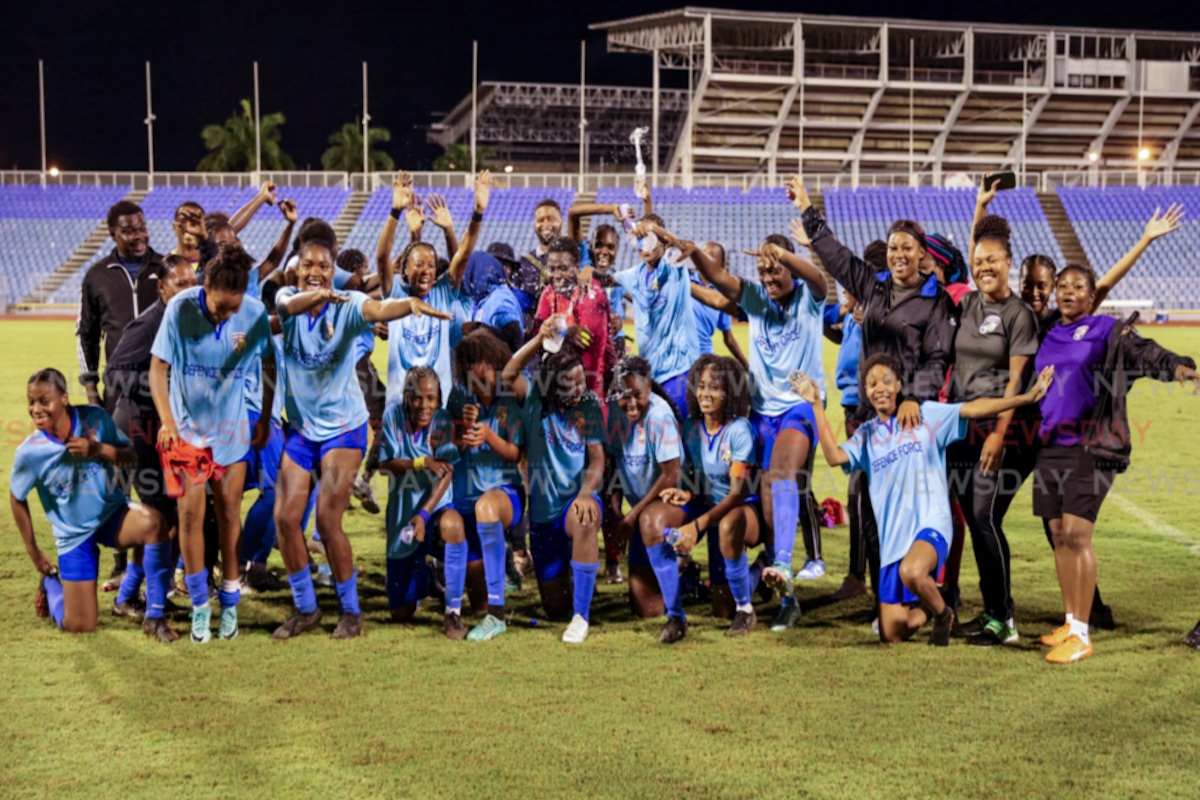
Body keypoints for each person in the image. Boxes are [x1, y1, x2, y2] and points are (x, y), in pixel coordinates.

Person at [795, 355, 1054, 645]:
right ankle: (928, 612)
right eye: (871, 383)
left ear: (899, 385)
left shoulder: (927, 415)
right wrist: (816, 404)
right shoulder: (866, 435)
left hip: (931, 526)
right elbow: (833, 457)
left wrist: (1025, 398)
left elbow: (974, 409)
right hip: (894, 542)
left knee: (912, 570)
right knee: (891, 632)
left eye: (886, 380)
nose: (879, 387)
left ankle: (944, 614)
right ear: (866, 392)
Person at [269, 238, 452, 641]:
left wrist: (408, 306)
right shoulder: (287, 297)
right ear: (297, 272)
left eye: (322, 265)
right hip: (302, 431)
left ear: (332, 268)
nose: (314, 271)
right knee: (284, 518)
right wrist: (314, 293)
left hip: (343, 430)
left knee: (327, 519)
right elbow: (283, 309)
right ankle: (306, 608)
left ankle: (351, 611)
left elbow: (376, 309)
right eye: (307, 265)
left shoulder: (346, 304)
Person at [791, 175, 957, 618]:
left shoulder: (936, 301)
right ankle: (879, 588)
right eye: (893, 247)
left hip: (909, 418)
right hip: (869, 413)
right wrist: (808, 209)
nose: (899, 255)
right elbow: (838, 258)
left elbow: (938, 358)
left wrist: (914, 398)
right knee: (865, 498)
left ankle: (925, 591)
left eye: (907, 248)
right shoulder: (875, 286)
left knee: (905, 503)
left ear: (922, 254)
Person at [1032, 264, 1198, 664]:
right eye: (1063, 286)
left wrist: (1176, 365)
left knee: (1076, 534)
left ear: (1092, 296)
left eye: (1078, 287)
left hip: (1093, 446)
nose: (1068, 292)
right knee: (1057, 535)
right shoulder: (1047, 332)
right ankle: (1070, 622)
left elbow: (1143, 351)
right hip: (1049, 445)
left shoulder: (1106, 329)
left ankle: (1083, 635)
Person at [684, 228, 826, 631]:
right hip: (760, 412)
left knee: (782, 472)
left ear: (790, 268)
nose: (768, 279)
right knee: (766, 509)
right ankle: (784, 591)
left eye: (775, 271)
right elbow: (719, 282)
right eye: (763, 273)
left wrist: (783, 253)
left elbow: (818, 278)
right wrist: (693, 253)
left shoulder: (808, 299)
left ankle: (781, 561)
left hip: (798, 408)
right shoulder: (754, 298)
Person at [149, 244, 276, 644]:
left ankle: (231, 602)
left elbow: (269, 362)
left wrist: (266, 415)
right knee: (189, 519)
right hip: (187, 433)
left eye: (232, 309)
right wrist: (168, 423)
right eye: (221, 307)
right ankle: (201, 606)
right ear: (206, 285)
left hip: (233, 432)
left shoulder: (252, 311)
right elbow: (158, 369)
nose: (226, 315)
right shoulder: (180, 309)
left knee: (228, 516)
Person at [15, 369, 177, 641]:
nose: (36, 409)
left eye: (45, 401)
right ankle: (52, 585)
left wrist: (98, 449)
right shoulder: (29, 453)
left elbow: (130, 458)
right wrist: (33, 550)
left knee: (155, 522)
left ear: (64, 398)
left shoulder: (95, 419)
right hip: (73, 535)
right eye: (31, 402)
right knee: (80, 624)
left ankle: (154, 616)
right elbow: (16, 497)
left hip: (111, 514)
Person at [942, 216, 1039, 646]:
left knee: (984, 517)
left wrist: (1000, 435)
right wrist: (981, 209)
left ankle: (1003, 619)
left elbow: (1016, 382)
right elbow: (973, 255)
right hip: (963, 427)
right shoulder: (968, 305)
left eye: (992, 260)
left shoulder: (1019, 315)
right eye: (979, 261)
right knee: (980, 520)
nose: (984, 267)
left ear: (1009, 263)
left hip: (1002, 429)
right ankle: (992, 611)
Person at [102, 255, 199, 614]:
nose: (189, 290)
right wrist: (162, 387)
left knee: (169, 513)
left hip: (162, 427)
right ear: (162, 288)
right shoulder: (149, 323)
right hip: (139, 425)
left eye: (193, 283)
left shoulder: (188, 317)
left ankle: (138, 594)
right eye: (180, 284)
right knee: (160, 514)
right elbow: (113, 373)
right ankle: (131, 596)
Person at [502, 315, 606, 644]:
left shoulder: (588, 404)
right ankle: (576, 586)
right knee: (553, 608)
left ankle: (582, 617)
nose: (579, 389)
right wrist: (538, 339)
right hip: (544, 517)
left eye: (581, 381)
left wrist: (587, 491)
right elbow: (508, 374)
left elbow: (598, 459)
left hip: (574, 503)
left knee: (584, 516)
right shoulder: (535, 400)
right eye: (570, 384)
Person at [660, 354, 763, 636]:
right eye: (702, 386)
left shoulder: (739, 431)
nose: (706, 393)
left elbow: (736, 494)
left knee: (729, 526)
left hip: (742, 512)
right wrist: (685, 493)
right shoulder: (692, 428)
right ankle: (685, 581)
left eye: (715, 387)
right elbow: (696, 480)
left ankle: (748, 606)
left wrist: (697, 525)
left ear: (729, 392)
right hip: (710, 509)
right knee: (719, 609)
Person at [378, 169, 490, 406]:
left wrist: (477, 213)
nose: (427, 270)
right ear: (405, 270)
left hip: (437, 406)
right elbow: (381, 258)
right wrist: (395, 211)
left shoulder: (441, 292)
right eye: (419, 264)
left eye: (431, 265)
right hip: (400, 405)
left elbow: (464, 255)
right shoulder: (396, 295)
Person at [446, 330, 526, 641]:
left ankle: (498, 617)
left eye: (487, 374)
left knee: (487, 508)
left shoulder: (510, 400)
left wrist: (489, 437)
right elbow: (448, 449)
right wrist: (461, 428)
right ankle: (500, 562)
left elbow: (516, 452)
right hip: (465, 502)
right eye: (474, 377)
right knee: (476, 601)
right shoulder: (457, 398)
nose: (482, 383)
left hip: (504, 495)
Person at [378, 367, 468, 638]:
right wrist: (422, 462)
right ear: (407, 397)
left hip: (433, 513)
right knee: (400, 613)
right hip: (402, 520)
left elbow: (447, 471)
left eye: (431, 398)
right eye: (418, 398)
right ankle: (424, 575)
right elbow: (385, 464)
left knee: (452, 526)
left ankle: (453, 613)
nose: (424, 405)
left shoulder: (442, 421)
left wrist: (425, 515)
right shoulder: (392, 415)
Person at [583, 214, 701, 416]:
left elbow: (680, 245)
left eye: (650, 239)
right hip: (650, 376)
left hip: (680, 372)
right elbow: (608, 278)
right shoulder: (634, 275)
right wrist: (588, 271)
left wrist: (654, 230)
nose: (645, 246)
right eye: (640, 239)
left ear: (662, 242)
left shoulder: (674, 264)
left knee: (680, 434)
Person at [605, 357, 687, 643]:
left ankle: (679, 566)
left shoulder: (659, 416)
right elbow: (614, 463)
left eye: (638, 395)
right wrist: (616, 508)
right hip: (641, 514)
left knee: (650, 519)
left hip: (671, 505)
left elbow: (671, 475)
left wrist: (632, 516)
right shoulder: (616, 414)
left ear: (649, 388)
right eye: (624, 395)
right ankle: (683, 574)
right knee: (645, 609)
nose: (631, 403)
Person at [536, 236, 610, 399]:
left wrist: (584, 399)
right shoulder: (549, 293)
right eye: (552, 268)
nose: (556, 275)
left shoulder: (591, 294)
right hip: (563, 389)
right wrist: (564, 333)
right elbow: (536, 337)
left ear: (577, 267)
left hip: (591, 391)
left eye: (563, 268)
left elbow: (592, 359)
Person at [690, 243, 749, 368]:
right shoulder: (683, 279)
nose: (705, 258)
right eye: (703, 254)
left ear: (721, 263)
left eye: (711, 255)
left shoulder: (724, 295)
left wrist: (747, 366)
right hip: (680, 360)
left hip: (704, 360)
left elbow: (729, 339)